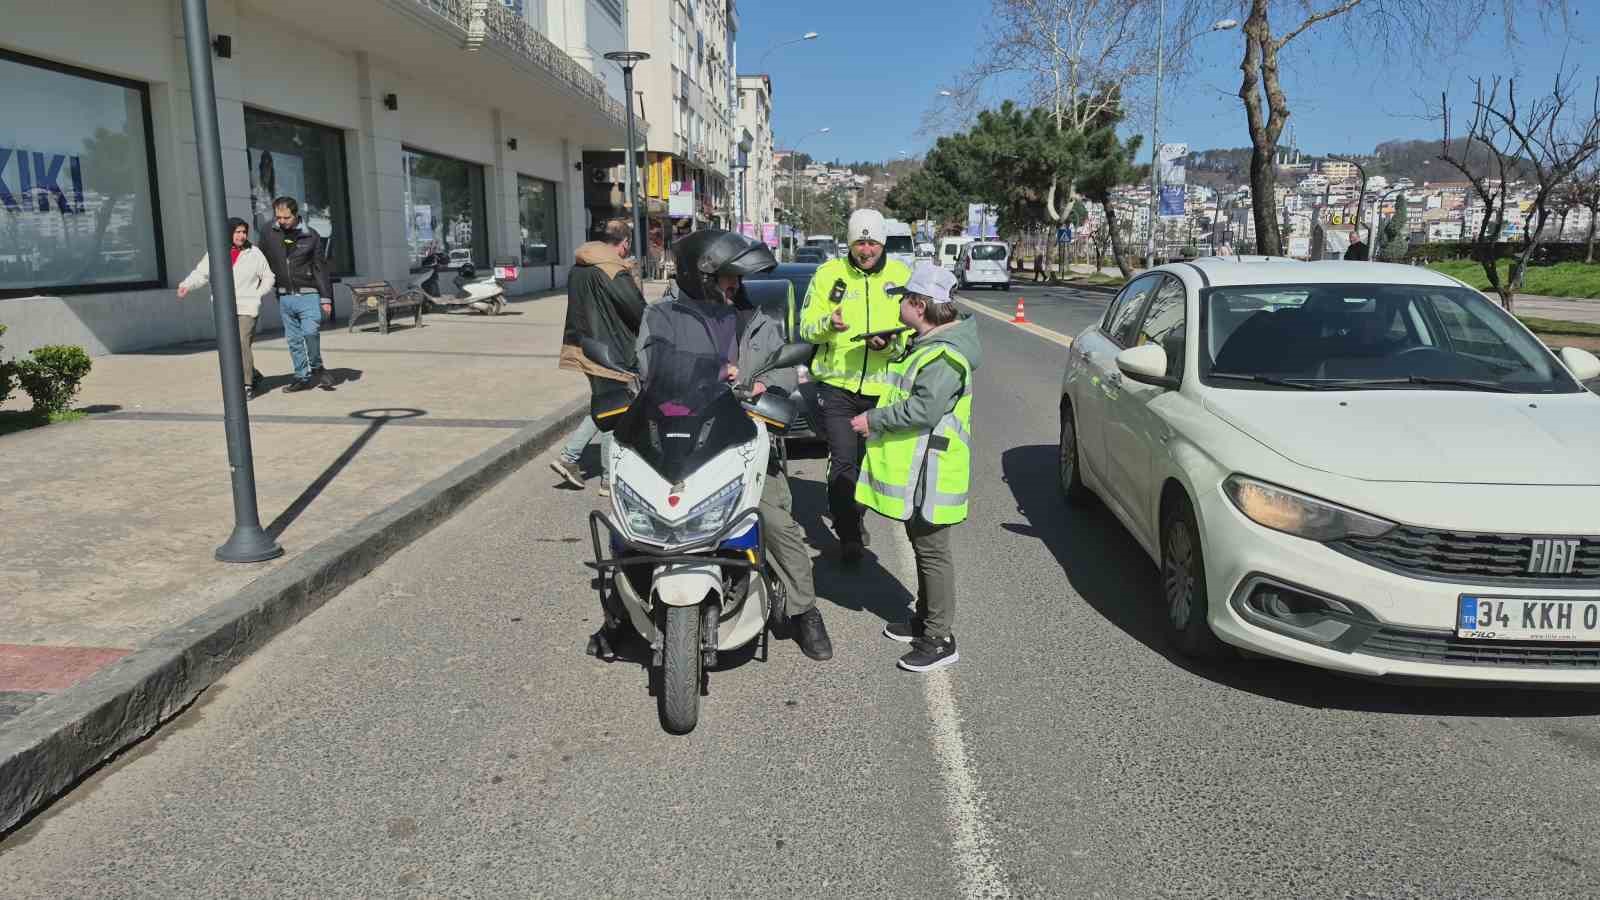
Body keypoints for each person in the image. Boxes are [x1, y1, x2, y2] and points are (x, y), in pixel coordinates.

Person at [623, 229, 833, 661]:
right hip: (676, 438)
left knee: (774, 519)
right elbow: (646, 365)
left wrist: (758, 384)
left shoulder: (755, 319)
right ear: (702, 277)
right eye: (728, 278)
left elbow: (783, 374)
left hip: (744, 438)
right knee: (634, 513)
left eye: (737, 279)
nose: (736, 286)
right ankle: (621, 608)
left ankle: (803, 609)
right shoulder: (662, 317)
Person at [851, 262, 981, 672]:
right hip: (922, 469)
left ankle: (939, 638)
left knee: (932, 553)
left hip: (934, 470)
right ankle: (924, 620)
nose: (899, 306)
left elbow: (924, 409)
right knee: (922, 545)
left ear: (919, 305)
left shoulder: (945, 356)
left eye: (903, 300)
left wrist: (874, 420)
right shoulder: (928, 343)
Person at [798, 208, 913, 564]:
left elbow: (913, 326)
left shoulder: (900, 275)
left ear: (883, 243)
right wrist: (828, 325)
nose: (867, 250)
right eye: (860, 242)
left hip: (882, 388)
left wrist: (891, 344)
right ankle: (849, 534)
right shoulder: (828, 274)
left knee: (869, 466)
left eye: (873, 242)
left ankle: (854, 515)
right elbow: (806, 328)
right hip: (837, 387)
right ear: (850, 242)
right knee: (844, 462)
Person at [551, 218, 647, 497]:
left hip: (586, 346)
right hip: (612, 351)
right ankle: (609, 478)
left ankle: (570, 457)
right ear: (624, 243)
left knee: (607, 405)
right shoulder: (612, 269)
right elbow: (637, 311)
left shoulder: (580, 267)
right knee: (614, 411)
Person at [177, 218, 275, 400]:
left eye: (244, 232)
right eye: (237, 232)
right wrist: (187, 285)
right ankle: (253, 373)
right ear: (229, 233)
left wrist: (258, 293)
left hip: (247, 307)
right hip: (223, 308)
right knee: (230, 346)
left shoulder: (254, 253)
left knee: (241, 343)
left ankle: (246, 385)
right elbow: (201, 273)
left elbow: (268, 276)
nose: (242, 235)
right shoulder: (216, 252)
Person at [256, 197, 335, 392]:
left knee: (310, 332)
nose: (281, 221)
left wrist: (326, 298)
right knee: (293, 340)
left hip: (309, 294)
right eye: (278, 217)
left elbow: (320, 268)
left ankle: (317, 366)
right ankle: (301, 376)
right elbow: (261, 260)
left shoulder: (311, 236)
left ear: (296, 214)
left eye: (286, 217)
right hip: (284, 296)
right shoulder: (268, 232)